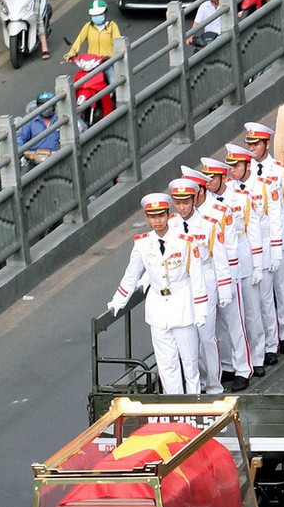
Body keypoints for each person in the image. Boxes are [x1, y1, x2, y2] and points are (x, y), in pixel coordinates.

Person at [107, 192, 207, 395]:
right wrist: (119, 300)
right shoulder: (143, 243)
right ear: (147, 218)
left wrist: (201, 310)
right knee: (166, 364)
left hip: (182, 304)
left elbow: (197, 277)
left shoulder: (185, 241)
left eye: (160, 215)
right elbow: (132, 274)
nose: (157, 221)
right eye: (152, 217)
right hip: (158, 307)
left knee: (189, 363)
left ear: (168, 215)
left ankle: (195, 405)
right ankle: (175, 408)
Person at [168, 176, 231, 395]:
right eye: (178, 202)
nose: (182, 207)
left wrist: (224, 291)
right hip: (182, 285)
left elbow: (220, 261)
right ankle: (196, 384)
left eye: (186, 201)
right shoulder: (171, 225)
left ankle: (213, 384)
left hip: (206, 280)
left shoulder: (209, 225)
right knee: (188, 338)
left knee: (206, 337)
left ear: (194, 199)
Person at [243, 120, 284, 352]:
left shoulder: (281, 170)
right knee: (265, 296)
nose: (252, 149)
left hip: (281, 236)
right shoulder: (244, 171)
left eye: (256, 144)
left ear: (266, 144)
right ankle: (272, 339)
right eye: (249, 144)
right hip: (257, 240)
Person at [198, 156, 252, 387]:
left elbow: (230, 246)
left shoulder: (221, 210)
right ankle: (226, 365)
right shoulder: (191, 214)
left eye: (213, 177)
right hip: (205, 277)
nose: (210, 182)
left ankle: (243, 368)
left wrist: (227, 282)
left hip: (227, 272)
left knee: (234, 323)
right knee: (214, 328)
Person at [222, 145, 268, 376]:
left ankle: (257, 357)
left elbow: (254, 231)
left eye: (236, 166)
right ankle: (230, 362)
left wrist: (258, 264)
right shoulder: (217, 198)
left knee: (252, 311)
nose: (232, 170)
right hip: (223, 260)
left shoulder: (244, 197)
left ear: (247, 165)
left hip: (244, 255)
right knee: (229, 317)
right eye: (229, 166)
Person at [16, 92, 60, 161]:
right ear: (37, 106)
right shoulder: (30, 121)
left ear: (53, 106)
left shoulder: (60, 119)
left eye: (49, 105)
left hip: (58, 159)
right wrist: (22, 150)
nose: (46, 108)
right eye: (42, 105)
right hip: (35, 161)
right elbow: (21, 137)